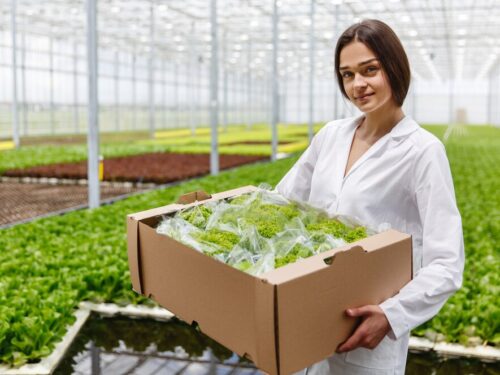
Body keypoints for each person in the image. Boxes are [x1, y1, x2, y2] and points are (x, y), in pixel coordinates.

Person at [276, 19, 464, 374]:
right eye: (347, 75)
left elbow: (446, 264)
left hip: (367, 338)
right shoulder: (331, 136)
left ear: (394, 67)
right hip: (305, 318)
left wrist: (391, 317)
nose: (358, 85)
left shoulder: (422, 151)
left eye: (370, 70)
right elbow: (282, 201)